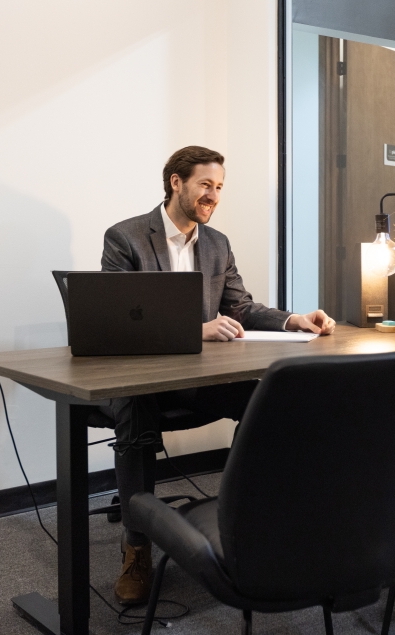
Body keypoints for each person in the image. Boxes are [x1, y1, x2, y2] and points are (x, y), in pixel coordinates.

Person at [98, 145, 336, 604]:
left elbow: (241, 307)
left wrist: (293, 320)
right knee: (134, 410)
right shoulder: (125, 238)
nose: (214, 196)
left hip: (197, 382)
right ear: (176, 183)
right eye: (205, 185)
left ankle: (244, 518)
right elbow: (120, 323)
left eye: (220, 187)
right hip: (141, 382)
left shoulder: (217, 243)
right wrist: (197, 329)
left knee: (266, 400)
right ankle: (136, 547)